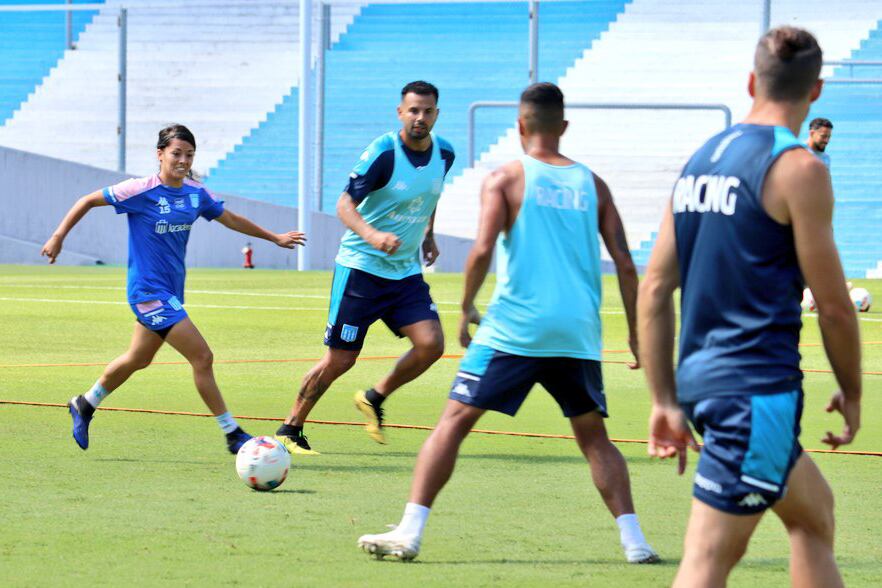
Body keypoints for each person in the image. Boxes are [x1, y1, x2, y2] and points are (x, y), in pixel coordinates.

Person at [357, 82, 659, 564]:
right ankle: (635, 542)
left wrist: (465, 308)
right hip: (577, 333)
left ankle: (410, 531)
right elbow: (625, 263)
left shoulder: (507, 178)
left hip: (515, 329)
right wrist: (637, 336)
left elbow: (480, 250)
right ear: (562, 127)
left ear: (520, 127)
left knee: (452, 424)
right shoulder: (593, 184)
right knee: (594, 438)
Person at [638, 27, 860, 587]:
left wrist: (665, 399)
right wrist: (852, 391)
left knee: (815, 517)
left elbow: (656, 287)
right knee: (706, 563)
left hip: (705, 388)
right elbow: (833, 306)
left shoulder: (700, 159)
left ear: (749, 82)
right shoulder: (800, 169)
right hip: (754, 396)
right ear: (816, 92)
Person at [41, 124, 306, 454]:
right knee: (203, 356)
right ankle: (231, 433)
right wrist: (58, 236)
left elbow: (232, 219)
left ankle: (85, 402)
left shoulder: (196, 194)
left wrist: (275, 237)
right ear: (160, 154)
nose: (183, 160)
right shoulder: (140, 190)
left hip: (171, 293)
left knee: (138, 358)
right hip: (148, 293)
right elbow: (87, 200)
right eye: (176, 153)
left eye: (189, 155)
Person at [274, 81, 454, 455]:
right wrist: (372, 235)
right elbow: (343, 205)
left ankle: (374, 396)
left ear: (436, 114)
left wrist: (429, 236)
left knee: (432, 343)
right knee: (340, 359)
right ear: (400, 112)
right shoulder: (383, 153)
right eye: (413, 110)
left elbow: (429, 194)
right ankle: (290, 428)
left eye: (427, 111)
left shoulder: (445, 154)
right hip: (361, 270)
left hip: (404, 273)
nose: (420, 117)